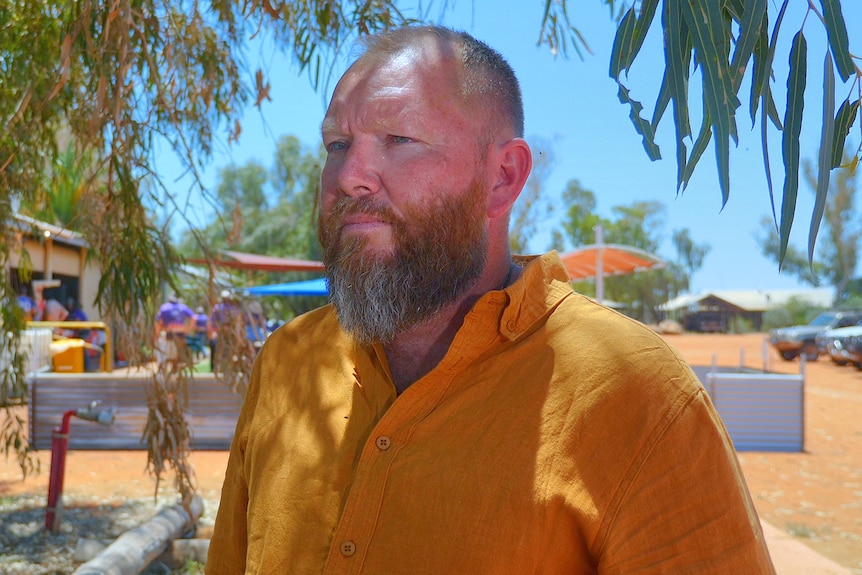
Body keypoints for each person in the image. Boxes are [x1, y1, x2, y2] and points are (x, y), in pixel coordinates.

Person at [207, 26, 775, 573]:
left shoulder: (637, 395)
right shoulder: (288, 362)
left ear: (502, 177)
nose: (351, 175)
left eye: (399, 140)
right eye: (337, 144)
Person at [155, 293, 194, 367]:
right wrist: (188, 329)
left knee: (166, 352)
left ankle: (164, 368)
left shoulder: (164, 307)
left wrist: (156, 334)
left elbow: (159, 322)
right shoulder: (183, 307)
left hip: (168, 332)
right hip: (180, 333)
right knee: (177, 353)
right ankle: (175, 370)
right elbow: (193, 317)